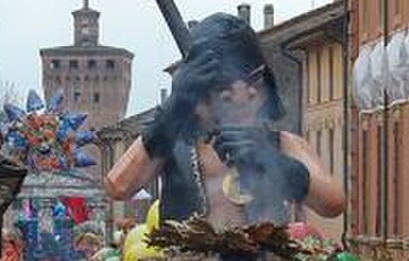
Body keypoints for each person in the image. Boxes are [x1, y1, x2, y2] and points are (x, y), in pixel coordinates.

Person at [103, 13, 345, 227]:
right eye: (218, 95)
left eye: (252, 86)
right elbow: (118, 186)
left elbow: (333, 202)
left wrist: (273, 162)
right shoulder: (171, 144)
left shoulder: (280, 143)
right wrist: (173, 109)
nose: (245, 97)